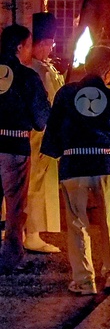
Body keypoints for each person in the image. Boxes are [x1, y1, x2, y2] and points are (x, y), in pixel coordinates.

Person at [41, 45, 110, 295]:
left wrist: (56, 152)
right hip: (104, 164)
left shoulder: (65, 95)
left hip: (73, 165)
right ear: (109, 73)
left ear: (85, 66)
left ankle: (84, 281)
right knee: (108, 221)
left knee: (77, 223)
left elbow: (53, 130)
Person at [0, 24, 51, 273]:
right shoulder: (27, 76)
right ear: (20, 46)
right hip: (14, 146)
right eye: (29, 45)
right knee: (15, 207)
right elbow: (41, 118)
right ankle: (11, 258)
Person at [23, 12, 64, 253]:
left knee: (25, 183)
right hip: (41, 134)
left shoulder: (30, 68)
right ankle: (33, 232)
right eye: (48, 44)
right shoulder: (42, 71)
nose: (50, 48)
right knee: (37, 183)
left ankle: (21, 230)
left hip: (27, 134)